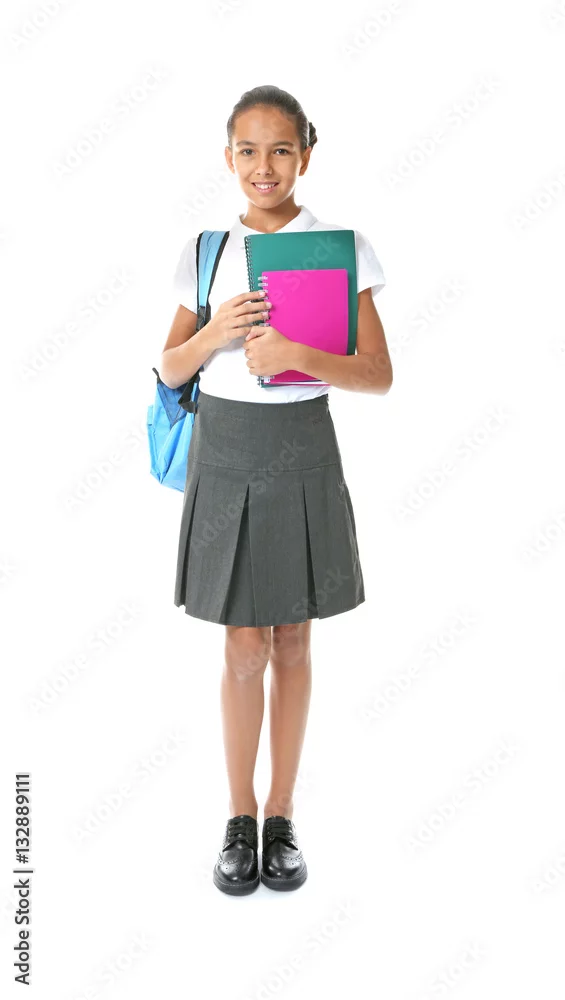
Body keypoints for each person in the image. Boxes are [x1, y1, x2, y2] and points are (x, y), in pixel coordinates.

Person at [159, 85, 393, 895]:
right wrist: (213, 335)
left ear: (306, 155)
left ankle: (281, 816)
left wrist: (295, 353)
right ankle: (238, 815)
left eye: (281, 150)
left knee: (292, 638)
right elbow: (168, 368)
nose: (265, 166)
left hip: (301, 446)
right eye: (249, 150)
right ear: (228, 158)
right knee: (241, 645)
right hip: (225, 451)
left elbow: (377, 374)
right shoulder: (204, 249)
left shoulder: (340, 247)